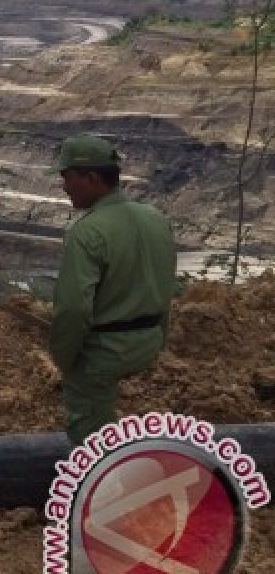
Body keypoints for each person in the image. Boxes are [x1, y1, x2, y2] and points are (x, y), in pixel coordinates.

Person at [49, 134, 177, 446]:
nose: (63, 186)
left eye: (66, 177)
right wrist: (160, 335)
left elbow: (73, 309)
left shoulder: (87, 231)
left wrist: (64, 359)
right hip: (148, 340)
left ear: (91, 177)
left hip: (106, 352)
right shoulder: (156, 218)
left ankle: (103, 483)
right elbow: (165, 284)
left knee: (90, 434)